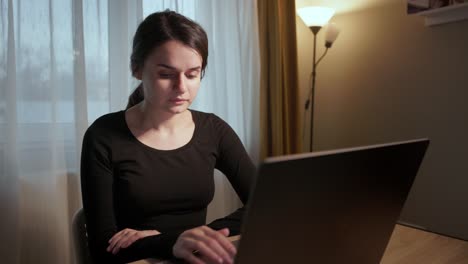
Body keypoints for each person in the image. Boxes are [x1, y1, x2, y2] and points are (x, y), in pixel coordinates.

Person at [80, 10, 256, 264]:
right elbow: (101, 247)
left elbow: (261, 207)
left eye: (193, 74)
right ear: (137, 69)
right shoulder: (103, 136)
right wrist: (175, 241)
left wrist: (181, 238)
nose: (182, 87)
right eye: (166, 74)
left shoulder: (214, 130)